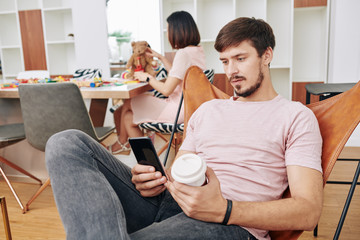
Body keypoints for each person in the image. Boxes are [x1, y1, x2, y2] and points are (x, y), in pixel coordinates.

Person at [46, 17, 323, 240]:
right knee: (67, 142)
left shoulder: (295, 116)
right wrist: (153, 181)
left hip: (230, 224)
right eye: (225, 61)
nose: (231, 71)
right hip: (170, 202)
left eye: (241, 58)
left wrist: (224, 210)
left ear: (267, 55)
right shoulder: (208, 110)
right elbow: (179, 174)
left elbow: (308, 211)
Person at [107, 10, 206, 154]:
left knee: (129, 102)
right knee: (128, 116)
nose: (167, 34)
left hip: (177, 110)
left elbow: (167, 90)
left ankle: (126, 146)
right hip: (190, 108)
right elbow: (178, 74)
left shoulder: (183, 54)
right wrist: (160, 57)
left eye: (168, 30)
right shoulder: (197, 51)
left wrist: (147, 78)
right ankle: (134, 151)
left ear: (177, 31)